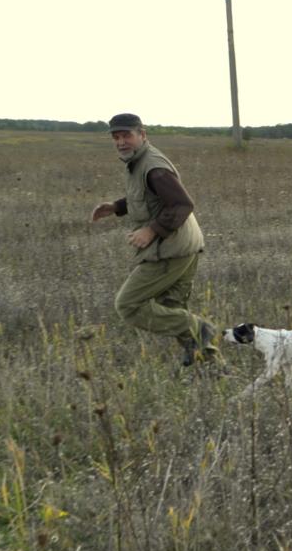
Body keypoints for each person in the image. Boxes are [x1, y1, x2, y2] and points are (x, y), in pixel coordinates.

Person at [89, 113, 218, 366]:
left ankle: (200, 329)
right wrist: (116, 207)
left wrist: (151, 230)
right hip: (184, 246)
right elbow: (150, 198)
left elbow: (182, 204)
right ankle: (211, 366)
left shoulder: (154, 167)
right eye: (116, 137)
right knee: (170, 307)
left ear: (142, 134)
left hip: (171, 249)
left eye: (126, 135)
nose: (121, 142)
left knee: (128, 305)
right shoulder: (139, 162)